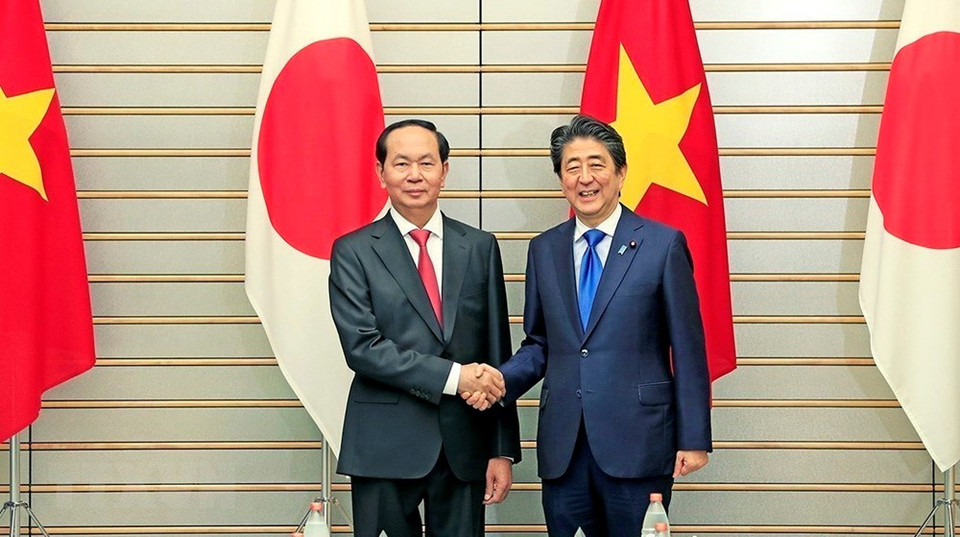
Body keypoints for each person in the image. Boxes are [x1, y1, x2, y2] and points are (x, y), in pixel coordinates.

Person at [466, 115, 711, 535]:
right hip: (564, 446)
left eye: (596, 164)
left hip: (637, 442)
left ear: (620, 173)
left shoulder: (662, 244)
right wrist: (499, 381)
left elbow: (687, 348)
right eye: (572, 166)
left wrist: (694, 436)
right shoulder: (544, 249)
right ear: (561, 178)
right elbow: (540, 342)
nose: (585, 178)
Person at [329, 119, 521, 537]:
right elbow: (362, 347)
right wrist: (455, 377)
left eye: (426, 163)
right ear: (381, 173)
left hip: (464, 446)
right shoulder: (353, 251)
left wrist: (502, 451)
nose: (414, 175)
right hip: (383, 445)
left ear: (445, 170)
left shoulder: (480, 246)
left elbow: (497, 351)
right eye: (401, 164)